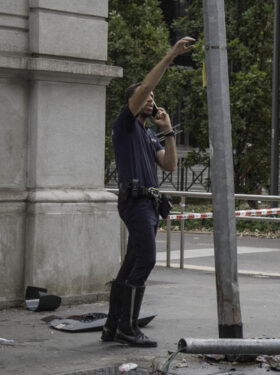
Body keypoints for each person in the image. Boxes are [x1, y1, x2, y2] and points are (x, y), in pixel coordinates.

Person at [102, 36, 195, 347]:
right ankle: (128, 329)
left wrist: (167, 129)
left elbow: (169, 165)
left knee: (131, 264)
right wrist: (170, 56)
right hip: (136, 203)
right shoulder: (124, 125)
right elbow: (142, 88)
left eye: (154, 97)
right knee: (146, 261)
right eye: (147, 96)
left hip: (149, 205)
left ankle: (114, 326)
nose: (151, 99)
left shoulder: (146, 133)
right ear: (134, 102)